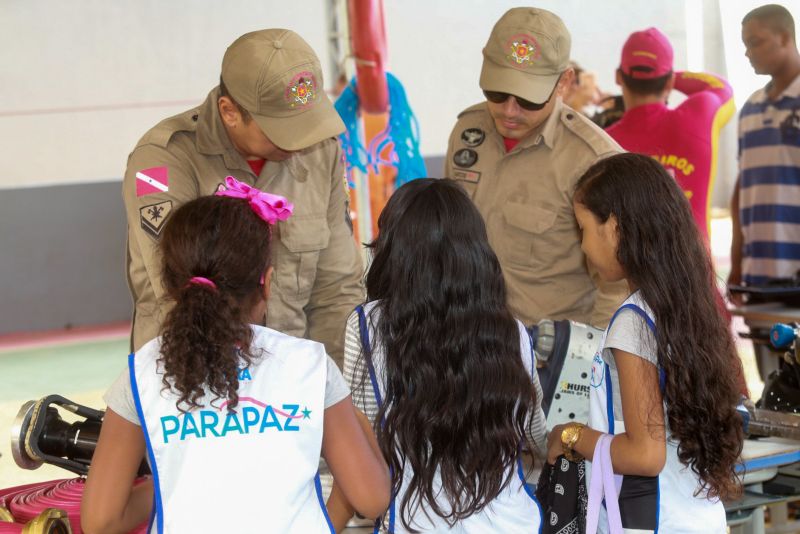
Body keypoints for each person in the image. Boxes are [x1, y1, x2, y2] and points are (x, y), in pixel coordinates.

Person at [81, 179, 390, 533]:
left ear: (168, 285)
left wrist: (169, 483)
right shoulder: (308, 365)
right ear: (267, 282)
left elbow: (101, 521)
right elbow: (371, 497)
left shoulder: (142, 373)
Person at [123, 29, 363, 365]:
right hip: (190, 380)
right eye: (284, 130)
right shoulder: (165, 159)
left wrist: (334, 387)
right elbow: (176, 294)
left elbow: (336, 291)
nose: (300, 143)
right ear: (230, 112)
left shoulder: (322, 152)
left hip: (292, 381)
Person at [326, 178, 547, 533]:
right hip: (513, 523)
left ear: (393, 251)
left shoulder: (368, 325)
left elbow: (367, 438)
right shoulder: (511, 330)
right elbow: (534, 433)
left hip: (415, 523)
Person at [547, 153, 743, 533]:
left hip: (652, 523)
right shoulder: (684, 304)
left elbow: (644, 454)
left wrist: (569, 436)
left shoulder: (632, 325)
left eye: (583, 228)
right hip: (696, 517)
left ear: (615, 228)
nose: (583, 245)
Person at [444, 7, 627, 329]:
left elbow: (618, 285)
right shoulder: (467, 133)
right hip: (469, 345)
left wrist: (588, 364)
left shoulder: (593, 161)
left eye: (528, 99)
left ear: (564, 82)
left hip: (549, 362)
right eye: (497, 92)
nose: (509, 111)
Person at [605, 27, 735, 241]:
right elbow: (722, 87)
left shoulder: (603, 141)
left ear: (618, 77)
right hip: (696, 269)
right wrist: (670, 76)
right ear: (669, 82)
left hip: (631, 272)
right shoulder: (701, 115)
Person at [730, 4, 800, 292]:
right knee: (767, 340)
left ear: (785, 38)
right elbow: (742, 188)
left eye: (755, 42)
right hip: (758, 276)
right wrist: (736, 264)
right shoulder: (750, 108)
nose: (747, 53)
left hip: (796, 271)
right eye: (745, 44)